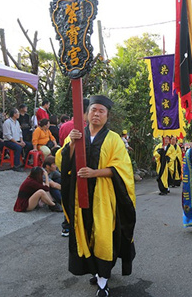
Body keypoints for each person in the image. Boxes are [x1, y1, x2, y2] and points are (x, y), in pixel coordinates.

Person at [59, 95, 136, 296]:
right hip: (80, 196)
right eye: (93, 110)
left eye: (101, 111)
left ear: (107, 115)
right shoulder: (76, 135)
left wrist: (95, 173)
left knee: (102, 234)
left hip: (103, 196)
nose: (96, 114)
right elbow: (63, 162)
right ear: (86, 113)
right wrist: (73, 144)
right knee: (84, 232)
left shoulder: (114, 139)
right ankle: (94, 270)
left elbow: (121, 168)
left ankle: (103, 280)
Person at [42, 155, 69, 237]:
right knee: (53, 187)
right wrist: (68, 189)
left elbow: (62, 177)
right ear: (47, 166)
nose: (56, 166)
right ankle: (61, 202)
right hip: (40, 194)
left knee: (60, 180)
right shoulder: (43, 173)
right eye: (54, 164)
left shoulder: (53, 171)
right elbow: (54, 185)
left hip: (48, 189)